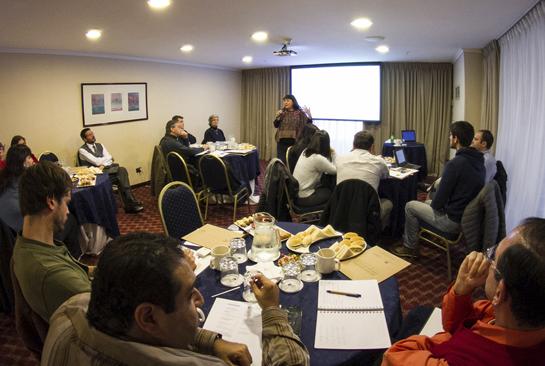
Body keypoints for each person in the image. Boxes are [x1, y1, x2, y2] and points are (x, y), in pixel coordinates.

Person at [42, 232, 310, 366]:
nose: (200, 299)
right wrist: (272, 311)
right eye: (188, 294)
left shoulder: (69, 311)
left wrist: (212, 342)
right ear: (148, 317)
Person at [383, 217, 545, 365]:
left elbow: (393, 356)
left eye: (493, 256)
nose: (487, 257)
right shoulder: (507, 315)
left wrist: (446, 339)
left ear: (499, 293)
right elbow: (454, 325)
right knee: (418, 312)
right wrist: (462, 290)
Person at [12, 162, 94, 323]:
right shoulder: (51, 273)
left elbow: (80, 271)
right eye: (66, 202)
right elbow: (113, 313)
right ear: (51, 202)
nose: (68, 211)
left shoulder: (34, 243)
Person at [391, 121, 485, 257]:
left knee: (410, 206)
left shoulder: (455, 164)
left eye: (451, 135)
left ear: (456, 139)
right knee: (426, 204)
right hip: (465, 218)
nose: (449, 138)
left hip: (451, 222)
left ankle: (409, 247)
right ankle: (415, 236)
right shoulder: (479, 162)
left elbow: (438, 202)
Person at [0, 145, 81, 258]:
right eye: (29, 157)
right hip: (25, 239)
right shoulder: (26, 184)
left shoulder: (5, 180)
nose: (32, 160)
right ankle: (71, 259)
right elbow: (42, 207)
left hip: (8, 239)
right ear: (24, 162)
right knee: (70, 220)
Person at [79, 128, 144, 214]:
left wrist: (103, 164)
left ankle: (130, 202)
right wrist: (106, 160)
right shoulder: (82, 150)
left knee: (121, 172)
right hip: (96, 176)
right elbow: (96, 161)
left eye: (92, 133)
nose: (93, 135)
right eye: (90, 135)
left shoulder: (100, 145)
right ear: (85, 139)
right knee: (121, 173)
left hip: (106, 172)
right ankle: (130, 202)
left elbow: (110, 159)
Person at [336, 131, 393, 228]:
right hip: (368, 210)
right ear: (372, 147)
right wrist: (373, 155)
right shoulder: (379, 162)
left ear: (353, 145)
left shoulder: (340, 159)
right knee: (389, 204)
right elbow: (385, 176)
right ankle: (375, 232)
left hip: (343, 206)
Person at [293, 130, 336, 207]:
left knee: (326, 183)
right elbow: (335, 170)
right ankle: (328, 217)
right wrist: (334, 153)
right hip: (305, 198)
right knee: (333, 192)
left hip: (296, 194)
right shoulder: (317, 159)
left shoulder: (305, 151)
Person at [160, 119, 206, 186]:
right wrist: (202, 149)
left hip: (176, 167)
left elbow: (185, 149)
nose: (181, 129)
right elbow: (188, 151)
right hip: (179, 171)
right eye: (178, 127)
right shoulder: (171, 142)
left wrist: (185, 138)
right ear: (172, 129)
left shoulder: (166, 139)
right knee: (200, 166)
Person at [273, 94, 312, 164]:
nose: (285, 102)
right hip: (282, 143)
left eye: (287, 101)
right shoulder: (282, 112)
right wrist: (278, 118)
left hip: (294, 143)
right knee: (281, 164)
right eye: (284, 101)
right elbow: (275, 125)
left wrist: (309, 115)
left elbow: (308, 125)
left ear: (293, 102)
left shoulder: (300, 113)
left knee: (293, 164)